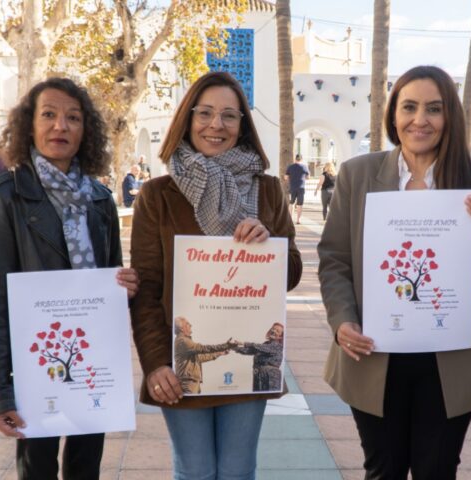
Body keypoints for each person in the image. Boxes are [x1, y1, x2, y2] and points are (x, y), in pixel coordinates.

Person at [318, 65, 471, 479]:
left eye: (434, 109)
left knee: (437, 470)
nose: (420, 120)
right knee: (384, 469)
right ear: (393, 115)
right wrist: (342, 320)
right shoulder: (358, 174)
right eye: (410, 107)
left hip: (449, 356)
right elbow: (334, 259)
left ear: (449, 116)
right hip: (374, 351)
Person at [130, 71, 302, 480]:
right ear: (186, 120)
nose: (216, 125)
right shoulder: (158, 196)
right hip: (182, 364)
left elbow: (291, 272)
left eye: (229, 115)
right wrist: (156, 364)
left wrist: (270, 242)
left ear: (242, 125)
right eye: (204, 113)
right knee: (194, 472)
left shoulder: (268, 191)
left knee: (238, 471)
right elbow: (148, 290)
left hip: (245, 357)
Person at [0, 77, 140, 479]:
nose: (60, 126)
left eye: (73, 118)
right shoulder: (6, 196)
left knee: (86, 470)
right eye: (48, 115)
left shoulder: (100, 199)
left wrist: (126, 289)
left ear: (87, 131)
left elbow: (113, 287)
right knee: (37, 471)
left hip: (92, 364)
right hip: (36, 368)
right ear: (30, 124)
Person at [173, 317, 233, 394]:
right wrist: (226, 345)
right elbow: (204, 348)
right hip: (189, 383)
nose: (191, 325)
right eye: (187, 324)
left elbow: (200, 357)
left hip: (192, 383)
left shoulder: (184, 342)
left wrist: (220, 353)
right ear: (181, 328)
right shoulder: (183, 341)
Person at [232, 323, 285, 392]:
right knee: (258, 397)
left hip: (271, 377)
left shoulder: (278, 346)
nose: (274, 331)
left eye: (277, 331)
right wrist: (233, 347)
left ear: (280, 337)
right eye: (273, 329)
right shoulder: (265, 344)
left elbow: (263, 348)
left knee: (269, 398)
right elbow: (249, 351)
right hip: (259, 375)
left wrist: (244, 343)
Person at [285, 153, 309, 224]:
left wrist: (291, 177)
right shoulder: (305, 167)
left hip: (292, 187)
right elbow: (308, 177)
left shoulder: (290, 167)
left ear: (295, 159)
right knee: (300, 204)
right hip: (301, 187)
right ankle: (298, 220)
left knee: (291, 203)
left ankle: (290, 219)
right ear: (301, 159)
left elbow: (285, 177)